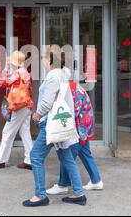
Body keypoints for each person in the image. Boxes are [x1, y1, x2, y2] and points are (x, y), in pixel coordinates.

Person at [22, 48, 87, 207]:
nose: (43, 60)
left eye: (45, 57)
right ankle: (79, 193)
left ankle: (40, 196)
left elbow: (47, 101)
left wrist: (37, 114)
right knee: (67, 158)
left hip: (51, 124)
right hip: (61, 124)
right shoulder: (63, 74)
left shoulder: (53, 75)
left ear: (51, 60)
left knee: (36, 157)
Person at [47, 75, 104, 195]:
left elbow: (72, 111)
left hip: (78, 130)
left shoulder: (71, 91)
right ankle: (96, 180)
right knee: (85, 154)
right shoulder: (77, 87)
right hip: (84, 129)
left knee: (66, 156)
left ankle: (63, 184)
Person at [0, 51, 33, 170]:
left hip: (18, 106)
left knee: (7, 132)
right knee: (25, 133)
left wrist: (5, 68)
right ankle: (30, 160)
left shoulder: (17, 73)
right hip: (26, 105)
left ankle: (0, 160)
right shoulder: (26, 73)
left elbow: (2, 83)